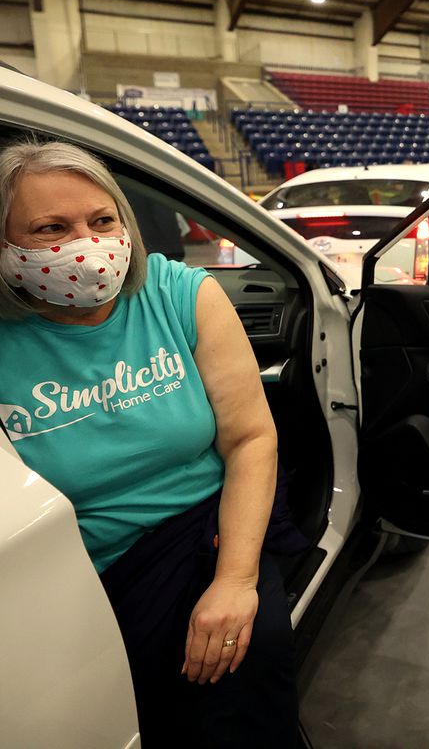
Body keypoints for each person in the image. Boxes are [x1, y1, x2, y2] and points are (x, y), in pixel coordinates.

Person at [0, 141, 302, 747]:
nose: (85, 245)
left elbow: (250, 437)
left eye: (101, 221)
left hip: (209, 526)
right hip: (83, 566)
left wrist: (236, 582)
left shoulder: (179, 293)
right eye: (51, 228)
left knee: (245, 659)